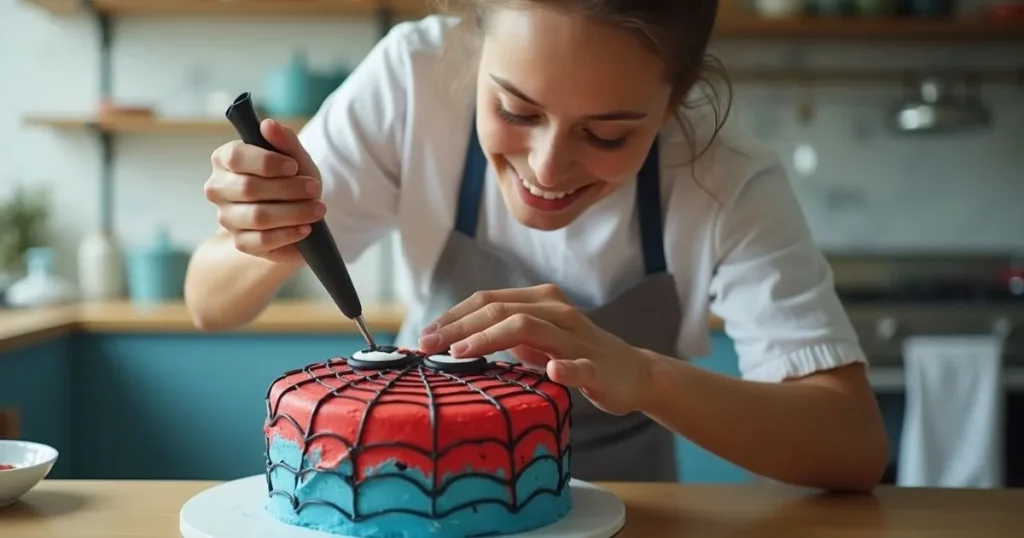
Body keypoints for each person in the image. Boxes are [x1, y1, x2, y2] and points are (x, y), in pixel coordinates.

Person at [185, 0, 888, 490]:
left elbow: (853, 445)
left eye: (608, 135)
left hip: (634, 515)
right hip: (414, 499)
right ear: (472, 45)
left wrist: (643, 377)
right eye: (516, 110)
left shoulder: (726, 177)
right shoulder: (412, 80)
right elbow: (208, 305)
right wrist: (268, 238)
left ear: (675, 106)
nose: (548, 170)